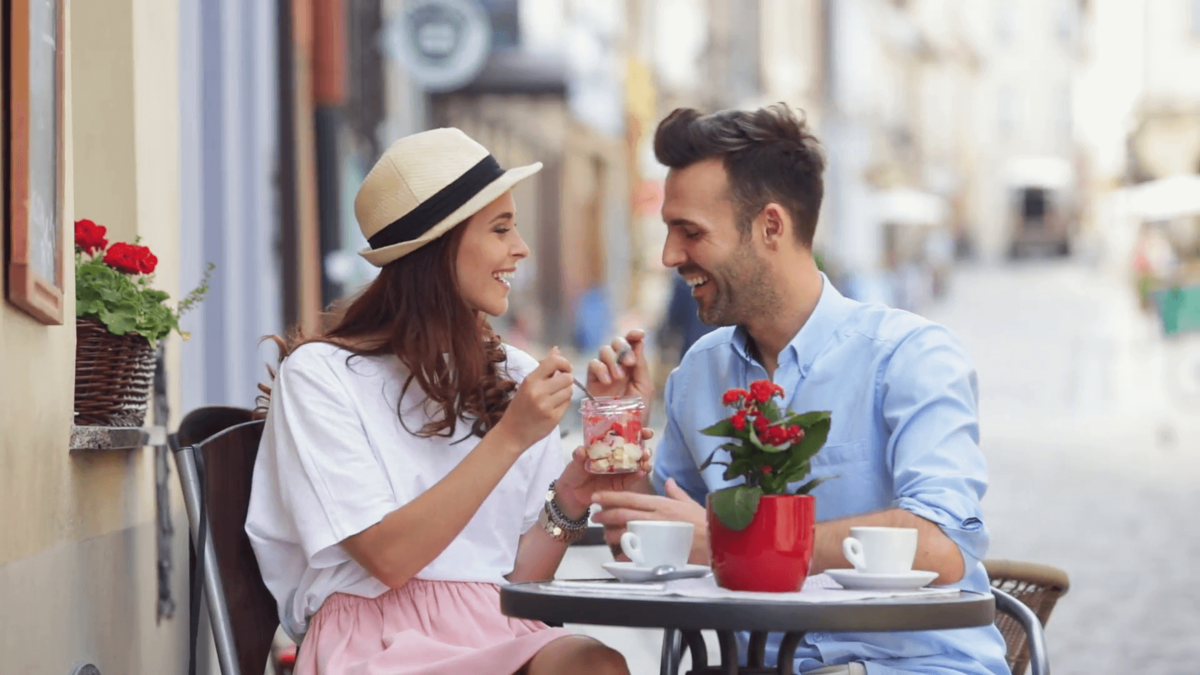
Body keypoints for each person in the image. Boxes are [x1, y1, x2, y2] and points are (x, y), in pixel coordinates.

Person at [586, 105, 1010, 675]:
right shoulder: (698, 374)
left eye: (690, 232)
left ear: (770, 227)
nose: (669, 256)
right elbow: (652, 546)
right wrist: (624, 430)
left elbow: (941, 546)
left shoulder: (910, 356)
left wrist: (726, 541)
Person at [246, 128, 649, 675]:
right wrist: (511, 434)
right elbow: (390, 560)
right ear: (437, 249)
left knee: (596, 665)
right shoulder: (321, 377)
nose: (521, 248)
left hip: (497, 624)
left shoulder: (516, 374)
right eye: (501, 228)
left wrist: (575, 492)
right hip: (374, 637)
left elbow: (517, 578)